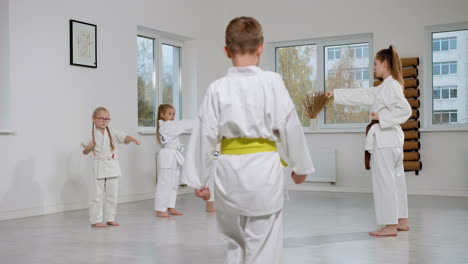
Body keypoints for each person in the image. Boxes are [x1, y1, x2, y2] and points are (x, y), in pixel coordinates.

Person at [181, 17, 314, 263]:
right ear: (261, 46)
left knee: (235, 245)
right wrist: (301, 167)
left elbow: (204, 134)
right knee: (263, 246)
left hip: (228, 175)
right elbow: (290, 125)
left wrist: (198, 179)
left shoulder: (217, 88)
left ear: (225, 50)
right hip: (263, 173)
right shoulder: (271, 82)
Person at [326, 45, 412, 236]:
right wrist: (336, 94)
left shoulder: (391, 87)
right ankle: (401, 220)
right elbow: (363, 94)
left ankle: (390, 226)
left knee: (385, 182)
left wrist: (382, 119)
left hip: (385, 141)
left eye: (375, 64)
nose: (373, 68)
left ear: (385, 64)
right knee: (396, 181)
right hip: (393, 142)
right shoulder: (387, 86)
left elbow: (406, 110)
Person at [81, 107, 141, 228]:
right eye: (101, 118)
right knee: (97, 195)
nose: (104, 121)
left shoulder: (111, 132)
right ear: (94, 119)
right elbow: (85, 152)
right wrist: (89, 147)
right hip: (99, 166)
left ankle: (110, 218)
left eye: (107, 119)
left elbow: (124, 137)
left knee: (112, 194)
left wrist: (133, 139)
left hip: (112, 165)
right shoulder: (90, 135)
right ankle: (96, 220)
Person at [154, 104, 193, 217]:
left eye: (174, 114)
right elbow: (183, 125)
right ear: (162, 115)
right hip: (168, 156)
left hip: (174, 155)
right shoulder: (166, 126)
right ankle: (160, 209)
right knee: (165, 183)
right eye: (169, 114)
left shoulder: (169, 125)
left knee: (174, 183)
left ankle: (170, 207)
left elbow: (182, 126)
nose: (172, 116)